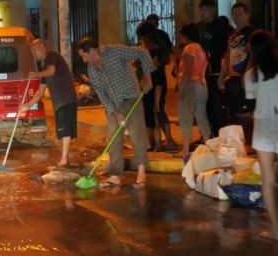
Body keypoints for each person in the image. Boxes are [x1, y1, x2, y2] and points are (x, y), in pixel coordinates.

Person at [76, 37, 153, 188]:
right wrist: (116, 113)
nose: (84, 61)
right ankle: (115, 175)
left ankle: (141, 172)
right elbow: (101, 94)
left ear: (91, 51)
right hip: (114, 105)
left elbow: (143, 53)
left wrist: (147, 78)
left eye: (84, 56)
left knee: (137, 136)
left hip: (131, 99)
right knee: (114, 139)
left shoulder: (116, 52)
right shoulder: (92, 69)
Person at [20, 39, 78, 167]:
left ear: (41, 46)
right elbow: (40, 92)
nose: (33, 54)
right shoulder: (44, 67)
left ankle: (64, 159)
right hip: (60, 102)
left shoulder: (51, 55)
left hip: (66, 99)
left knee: (65, 130)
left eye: (34, 50)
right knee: (65, 130)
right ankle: (67, 158)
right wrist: (27, 105)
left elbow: (51, 71)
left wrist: (36, 74)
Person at [243, 30, 278, 240]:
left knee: (268, 179)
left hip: (263, 126)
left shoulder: (251, 75)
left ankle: (275, 229)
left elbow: (251, 100)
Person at [218, 2, 256, 144]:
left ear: (247, 15)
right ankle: (242, 143)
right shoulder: (233, 35)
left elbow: (253, 54)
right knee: (235, 113)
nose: (236, 17)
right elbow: (228, 56)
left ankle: (251, 143)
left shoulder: (252, 33)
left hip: (246, 79)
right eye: (234, 14)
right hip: (233, 79)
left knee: (247, 113)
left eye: (240, 14)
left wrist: (247, 74)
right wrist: (222, 77)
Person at [137, 21, 176, 152]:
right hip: (144, 80)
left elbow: (166, 59)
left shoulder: (159, 44)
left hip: (157, 79)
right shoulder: (140, 46)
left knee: (158, 108)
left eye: (145, 35)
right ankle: (152, 142)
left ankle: (169, 139)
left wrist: (157, 62)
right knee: (147, 110)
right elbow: (137, 64)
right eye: (142, 36)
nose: (144, 38)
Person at [197, 0, 232, 137]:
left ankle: (220, 135)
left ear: (212, 10)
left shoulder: (221, 25)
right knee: (207, 106)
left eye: (204, 10)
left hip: (218, 72)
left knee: (218, 107)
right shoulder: (200, 28)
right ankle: (209, 135)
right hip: (204, 73)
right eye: (200, 10)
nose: (201, 13)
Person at [176, 24, 211, 157]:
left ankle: (185, 149)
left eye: (181, 35)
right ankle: (208, 145)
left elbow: (188, 71)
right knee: (202, 116)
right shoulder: (202, 48)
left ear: (186, 35)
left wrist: (181, 89)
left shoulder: (189, 48)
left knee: (185, 117)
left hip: (191, 85)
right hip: (202, 85)